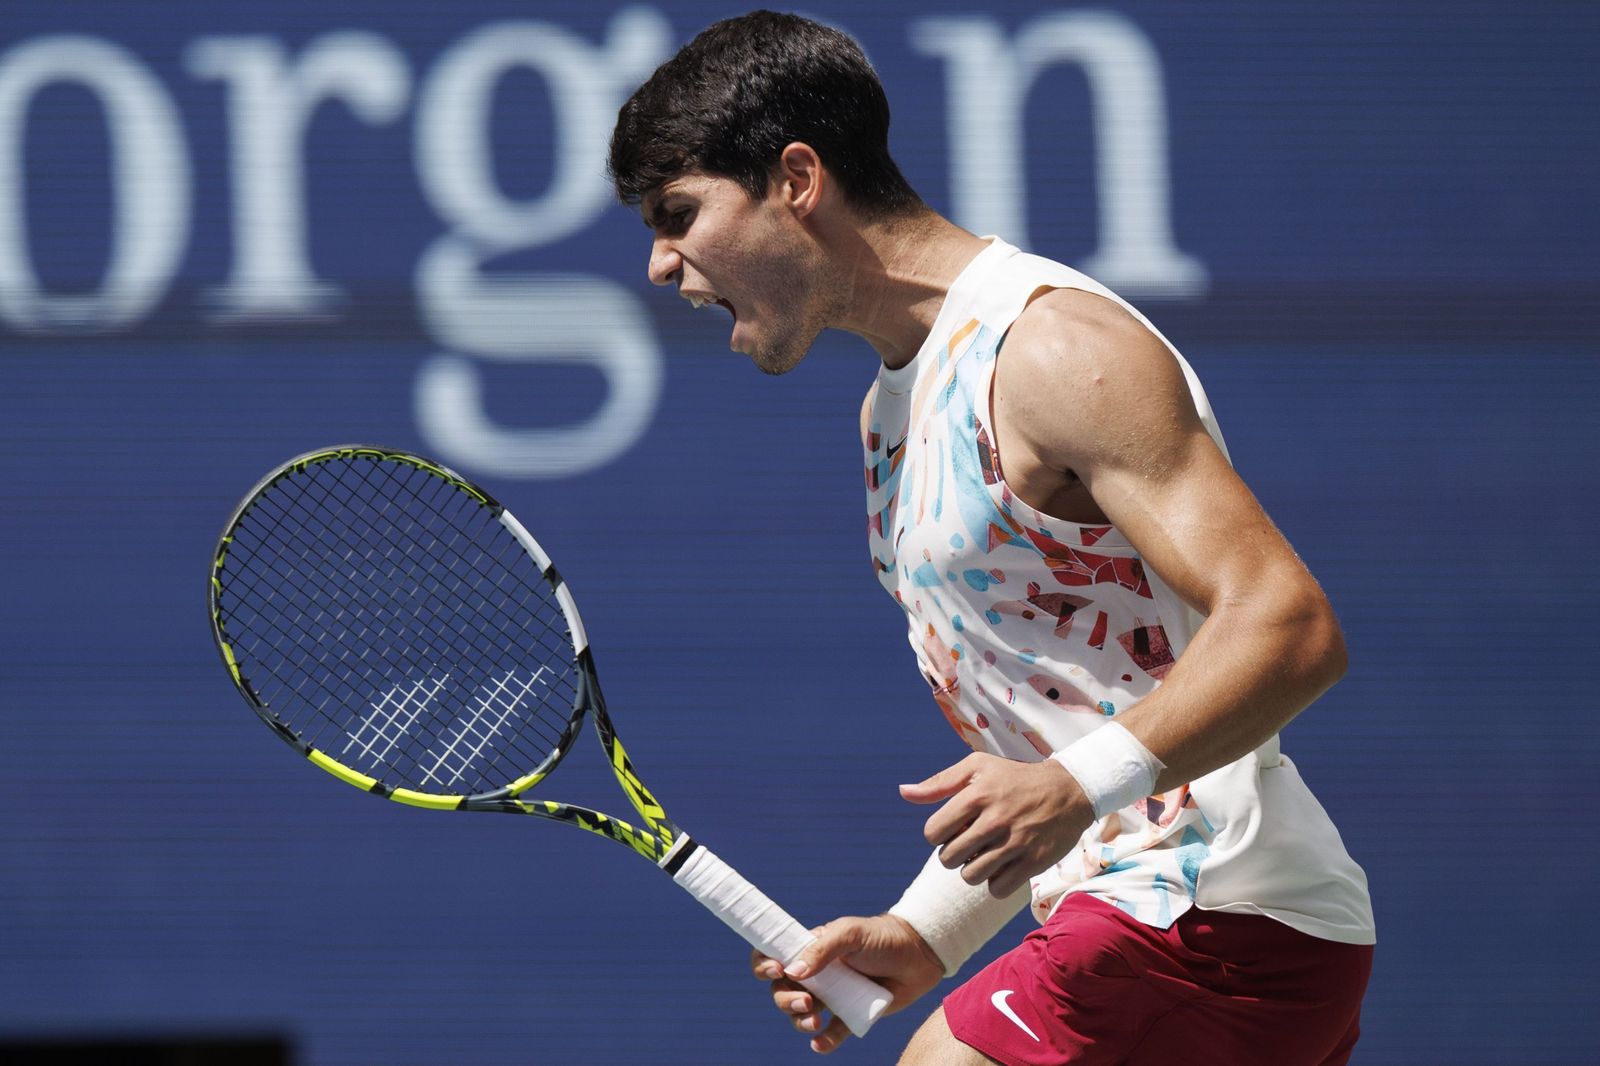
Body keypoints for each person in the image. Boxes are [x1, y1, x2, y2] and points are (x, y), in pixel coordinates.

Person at [609, 11, 1375, 1065]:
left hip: (1210, 918)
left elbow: (1290, 626)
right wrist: (930, 932)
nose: (659, 264)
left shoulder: (1052, 347)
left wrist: (1068, 790)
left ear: (795, 178)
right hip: (1171, 926)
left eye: (677, 213)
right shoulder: (891, 415)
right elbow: (1051, 733)